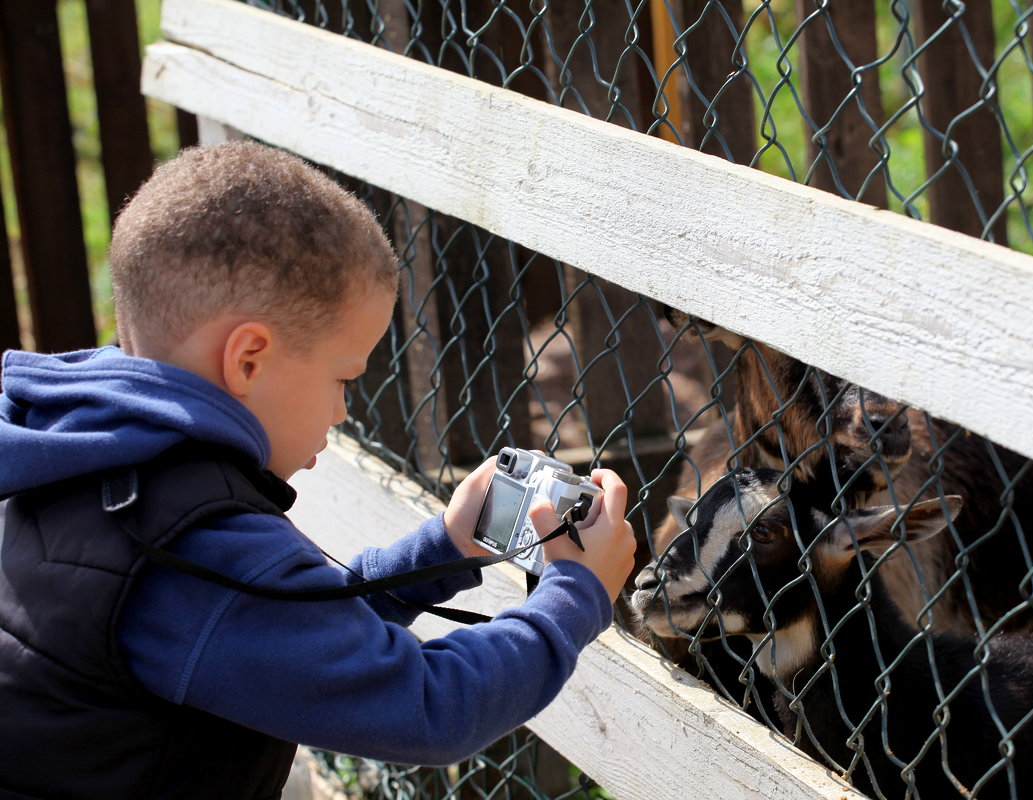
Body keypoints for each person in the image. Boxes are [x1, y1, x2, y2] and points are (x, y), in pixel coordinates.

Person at [0, 141, 637, 799]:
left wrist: (443, 549)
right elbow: (431, 707)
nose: (339, 411)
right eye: (343, 377)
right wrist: (576, 592)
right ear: (248, 359)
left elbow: (290, 630)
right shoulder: (187, 545)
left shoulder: (91, 453)